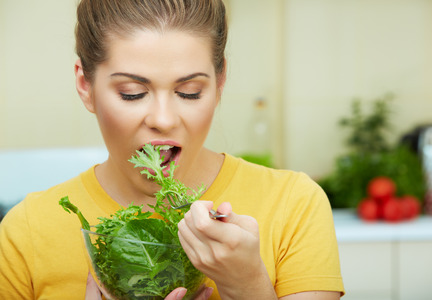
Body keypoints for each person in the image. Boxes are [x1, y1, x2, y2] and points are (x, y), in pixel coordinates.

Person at [0, 0, 345, 299]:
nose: (163, 120)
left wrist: (247, 286)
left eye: (190, 92)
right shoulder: (25, 232)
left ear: (220, 82)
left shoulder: (294, 205)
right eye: (132, 92)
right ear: (84, 85)